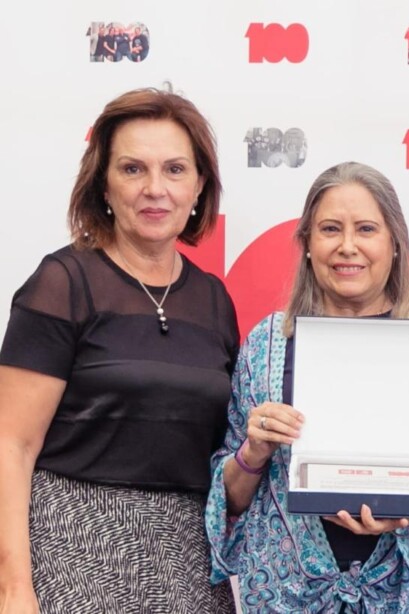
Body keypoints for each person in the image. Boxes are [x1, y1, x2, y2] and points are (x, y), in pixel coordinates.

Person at [205, 161, 409, 611]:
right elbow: (232, 497)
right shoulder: (267, 342)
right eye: (330, 229)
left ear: (395, 243)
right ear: (306, 244)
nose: (347, 246)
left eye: (365, 229)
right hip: (290, 595)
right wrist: (254, 451)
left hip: (408, 594)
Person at [0, 87, 236, 611]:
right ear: (103, 183)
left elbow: (226, 454)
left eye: (175, 170)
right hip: (71, 547)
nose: (155, 189)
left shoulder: (214, 301)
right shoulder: (62, 282)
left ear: (200, 185)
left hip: (189, 560)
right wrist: (13, 588)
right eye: (133, 169)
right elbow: (9, 445)